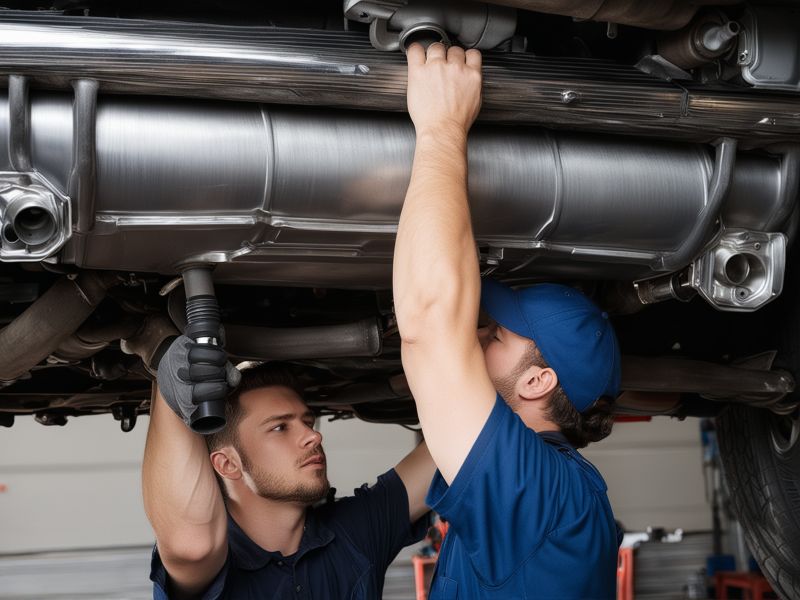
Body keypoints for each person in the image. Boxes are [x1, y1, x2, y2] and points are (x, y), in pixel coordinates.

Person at [393, 42, 622, 599]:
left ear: (538, 381)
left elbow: (428, 322)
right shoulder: (549, 489)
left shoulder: (535, 489)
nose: (473, 337)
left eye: (494, 334)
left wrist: (443, 126)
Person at [143, 352, 436, 599]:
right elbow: (191, 547)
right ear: (228, 464)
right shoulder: (212, 563)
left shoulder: (352, 533)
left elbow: (448, 450)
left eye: (307, 421)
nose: (313, 435)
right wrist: (168, 363)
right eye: (280, 427)